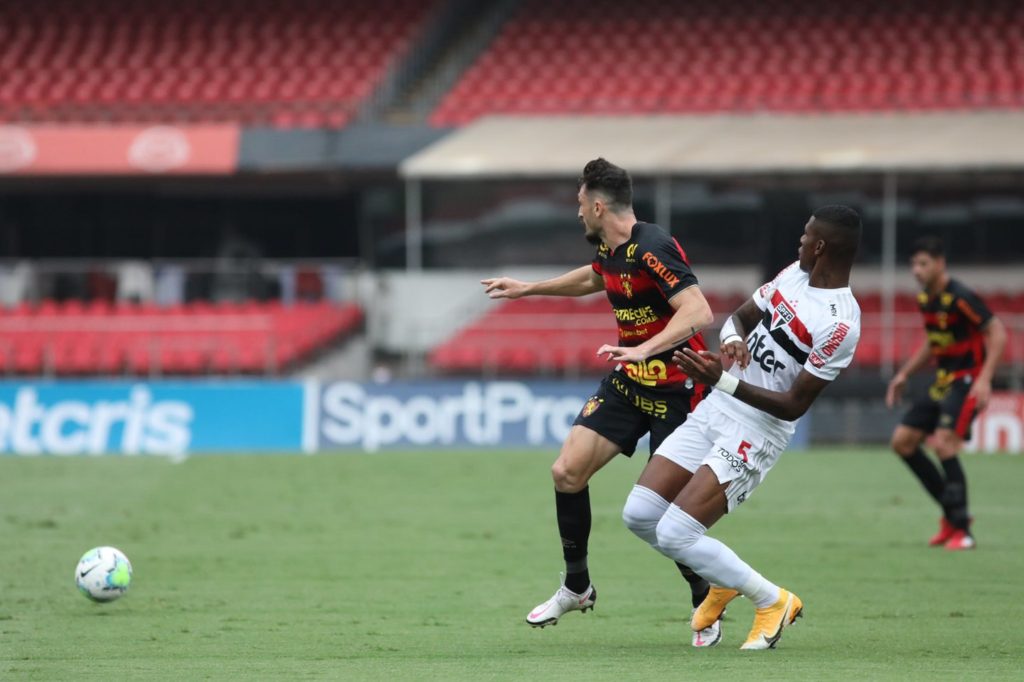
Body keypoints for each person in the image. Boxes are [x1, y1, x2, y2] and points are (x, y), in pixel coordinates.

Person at [481, 158, 718, 645]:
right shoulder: (611, 251)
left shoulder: (653, 245)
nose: (577, 215)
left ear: (597, 205)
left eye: (578, 205)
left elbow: (699, 311)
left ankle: (705, 596)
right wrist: (529, 289)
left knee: (666, 510)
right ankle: (577, 585)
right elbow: (594, 279)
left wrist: (645, 347)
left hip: (679, 390)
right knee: (566, 472)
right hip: (631, 383)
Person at [620, 205, 862, 650]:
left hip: (757, 432)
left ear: (822, 246)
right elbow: (741, 317)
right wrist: (731, 338)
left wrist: (724, 380)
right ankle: (721, 582)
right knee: (638, 514)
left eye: (806, 236)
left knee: (676, 533)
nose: (799, 242)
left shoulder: (841, 323)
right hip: (718, 407)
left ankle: (774, 601)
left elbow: (793, 406)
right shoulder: (792, 275)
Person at [885, 237, 1006, 550]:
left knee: (944, 443)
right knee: (903, 442)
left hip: (967, 380)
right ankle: (952, 516)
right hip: (943, 380)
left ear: (940, 263)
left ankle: (963, 530)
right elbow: (933, 342)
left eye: (923, 263)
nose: (916, 270)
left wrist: (985, 379)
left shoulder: (961, 296)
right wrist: (904, 374)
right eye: (913, 264)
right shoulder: (927, 298)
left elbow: (997, 332)